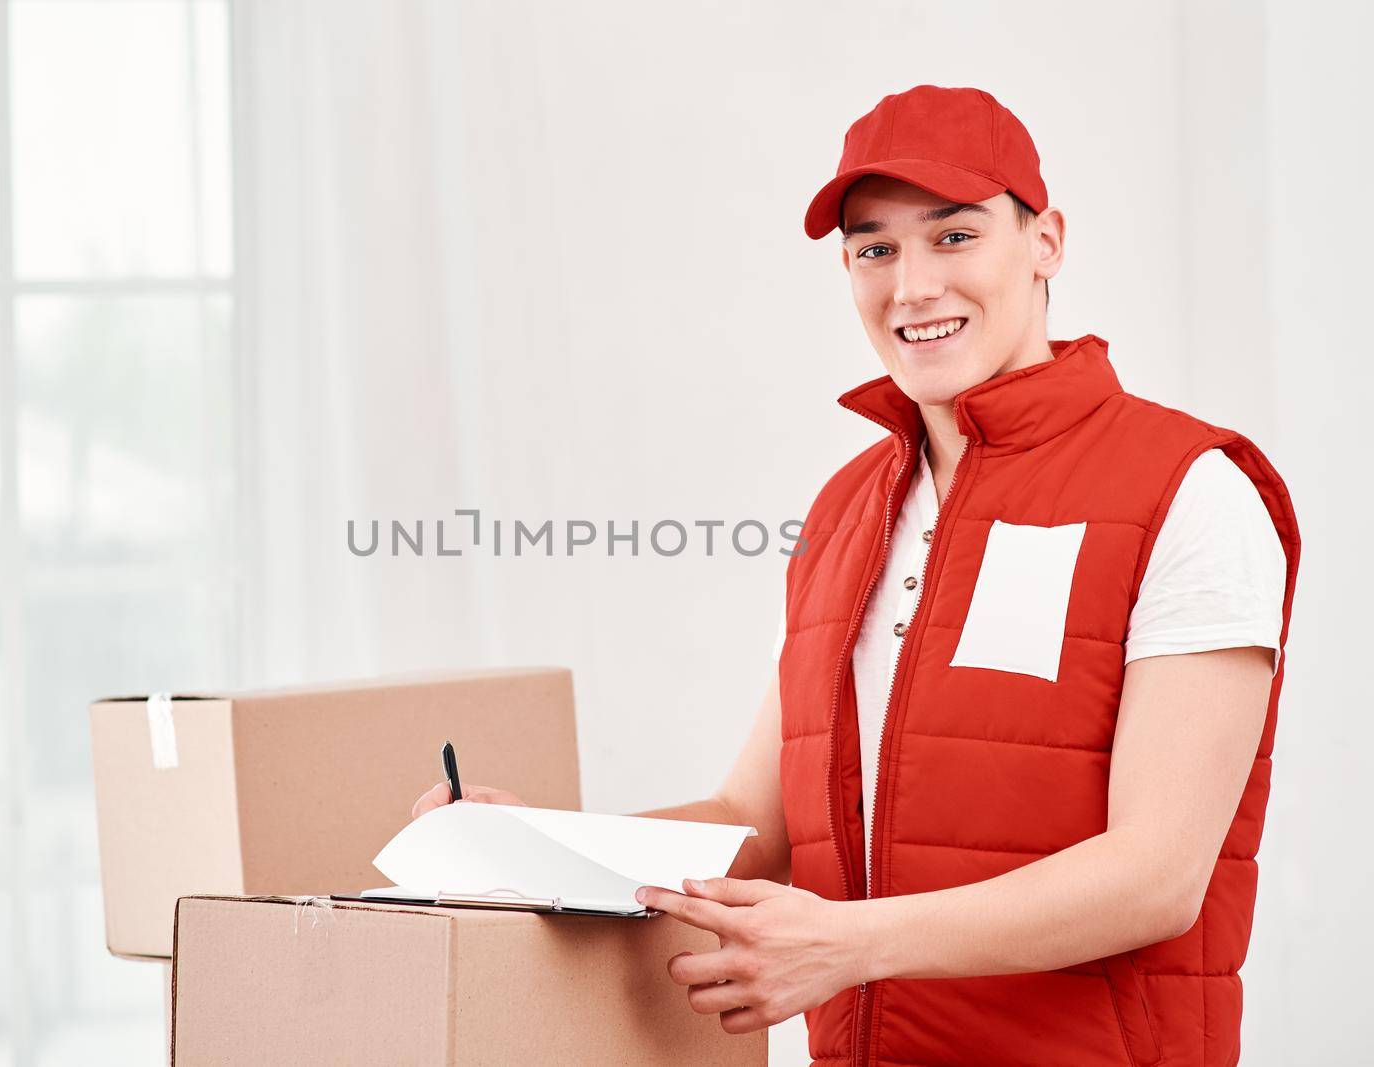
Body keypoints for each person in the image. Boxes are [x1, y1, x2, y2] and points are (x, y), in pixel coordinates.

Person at [410, 84, 1298, 1066]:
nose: (910, 286)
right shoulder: (847, 510)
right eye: (874, 248)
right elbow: (754, 821)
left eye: (952, 236)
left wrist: (846, 944)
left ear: (1044, 240)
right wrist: (539, 846)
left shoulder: (1188, 489)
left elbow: (1154, 875)